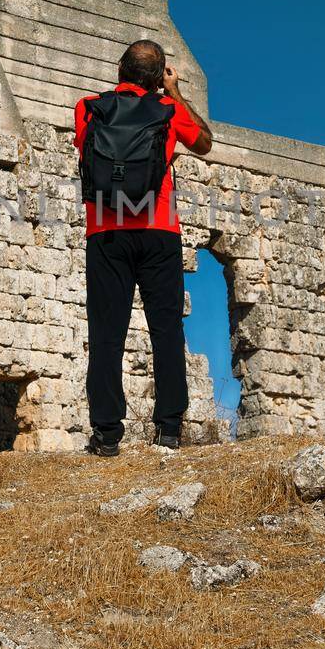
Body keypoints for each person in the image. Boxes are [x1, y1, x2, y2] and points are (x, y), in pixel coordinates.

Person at [73, 39, 214, 456]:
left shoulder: (88, 108)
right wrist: (173, 92)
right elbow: (204, 142)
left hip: (106, 231)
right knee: (166, 330)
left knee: (106, 334)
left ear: (119, 68)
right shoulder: (169, 112)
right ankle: (168, 429)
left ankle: (106, 434)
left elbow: (86, 152)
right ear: (158, 76)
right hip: (159, 228)